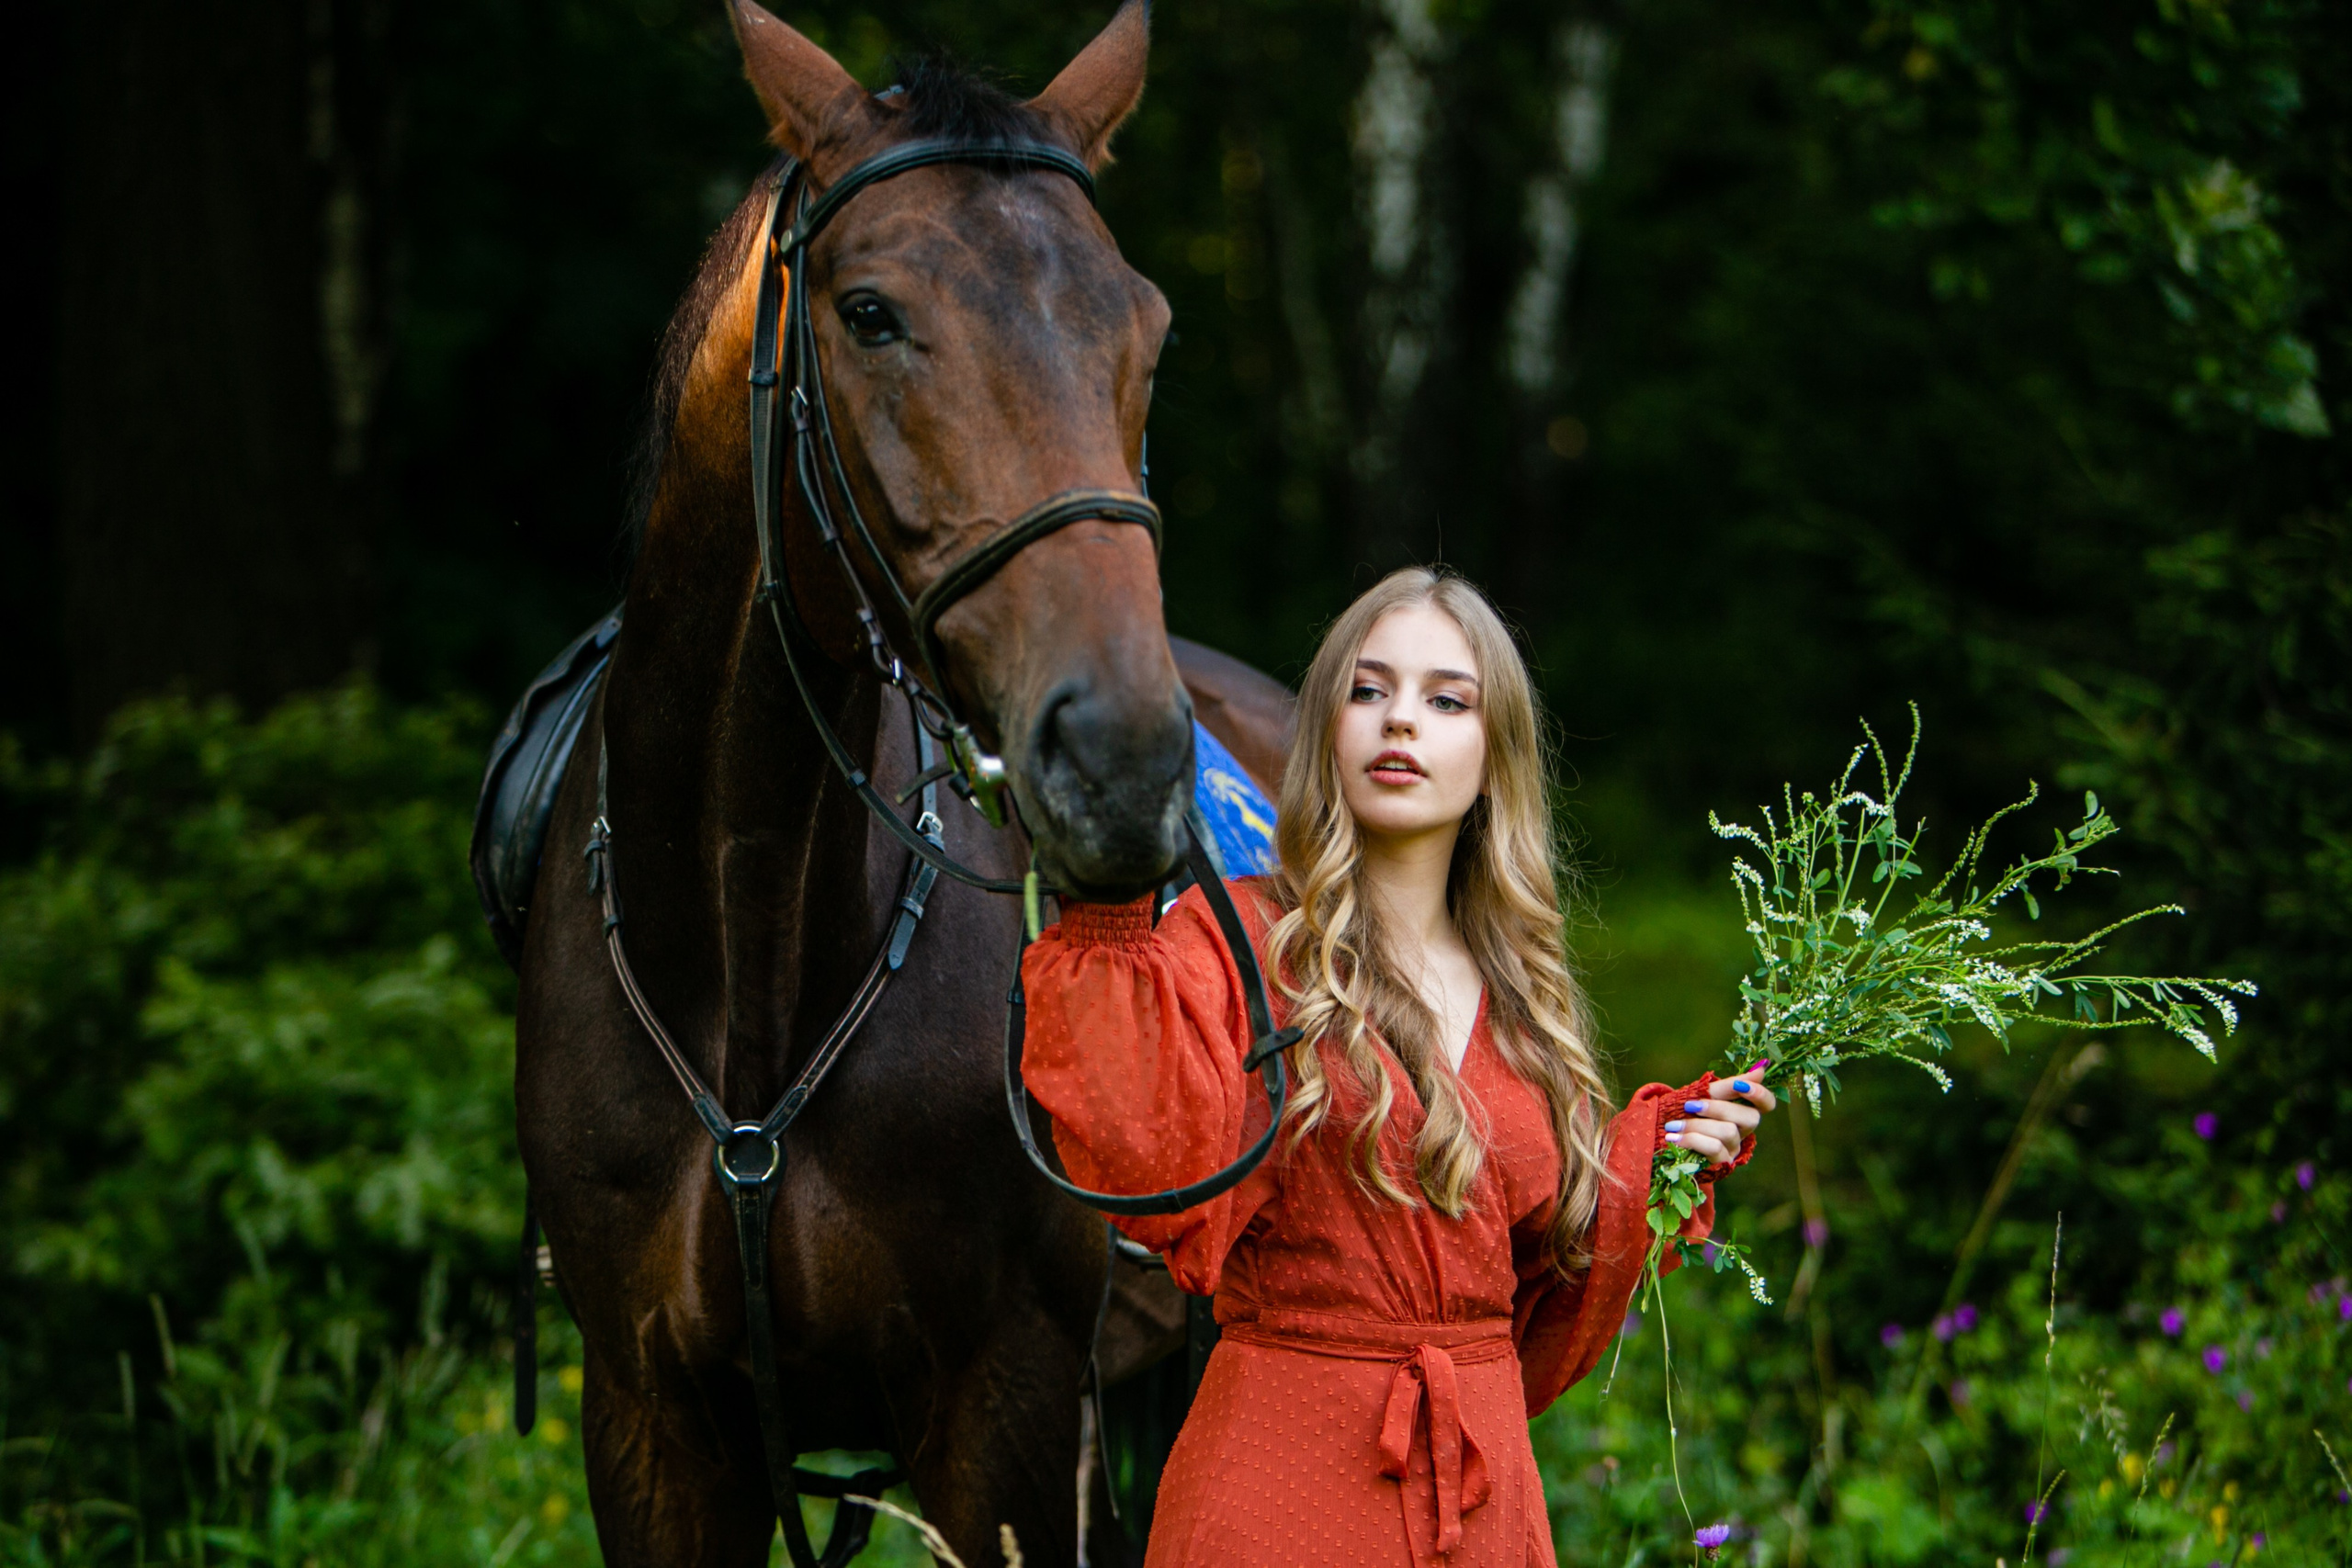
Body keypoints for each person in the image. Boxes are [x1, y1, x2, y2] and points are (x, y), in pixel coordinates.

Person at [1020, 567, 1777, 1568]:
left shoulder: (1527, 998)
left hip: (1480, 1496)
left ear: (1493, 753)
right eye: (1367, 692)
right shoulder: (1237, 941)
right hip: (1280, 1479)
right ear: (1328, 731)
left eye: (1444, 699)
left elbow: (1537, 1306)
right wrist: (1105, 925)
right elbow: (1147, 1161)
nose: (1399, 723)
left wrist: (1656, 1162)